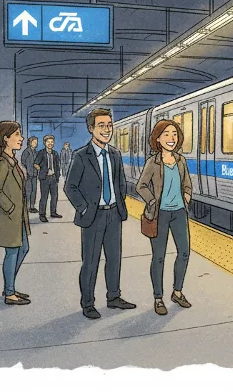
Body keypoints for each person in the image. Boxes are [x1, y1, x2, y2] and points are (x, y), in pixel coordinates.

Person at [65, 108, 136, 319]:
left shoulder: (114, 154)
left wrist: (120, 204)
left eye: (109, 125)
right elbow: (70, 187)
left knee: (114, 258)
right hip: (93, 216)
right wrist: (85, 208)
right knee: (91, 261)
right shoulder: (81, 156)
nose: (107, 130)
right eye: (102, 126)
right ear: (91, 129)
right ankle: (88, 303)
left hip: (113, 214)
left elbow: (120, 182)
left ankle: (113, 297)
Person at [137, 120, 194, 316]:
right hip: (159, 215)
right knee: (159, 257)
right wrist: (152, 202)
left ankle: (177, 292)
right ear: (158, 139)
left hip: (179, 213)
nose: (172, 138)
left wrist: (186, 198)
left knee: (184, 252)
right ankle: (158, 297)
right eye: (167, 134)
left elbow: (187, 184)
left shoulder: (181, 161)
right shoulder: (153, 163)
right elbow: (141, 186)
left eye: (175, 134)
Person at [0, 121, 32, 306]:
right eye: (17, 135)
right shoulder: (2, 163)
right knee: (13, 252)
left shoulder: (12, 160)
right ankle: (9, 293)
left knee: (23, 248)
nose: (21, 138)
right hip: (9, 217)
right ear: (6, 138)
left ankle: (10, 287)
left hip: (17, 217)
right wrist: (11, 208)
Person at [34, 135, 63, 220]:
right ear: (45, 143)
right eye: (48, 142)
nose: (50, 144)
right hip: (45, 178)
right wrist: (40, 169)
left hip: (53, 178)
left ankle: (53, 213)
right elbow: (35, 163)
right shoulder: (41, 153)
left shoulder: (55, 153)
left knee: (54, 196)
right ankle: (42, 215)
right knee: (44, 197)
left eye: (52, 142)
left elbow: (57, 166)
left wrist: (57, 176)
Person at [19, 136, 39, 219]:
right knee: (28, 191)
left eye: (36, 142)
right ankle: (26, 207)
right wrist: (26, 171)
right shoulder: (26, 152)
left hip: (34, 174)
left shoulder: (36, 152)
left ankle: (32, 206)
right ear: (30, 142)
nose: (36, 143)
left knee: (34, 191)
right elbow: (23, 162)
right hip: (28, 175)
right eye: (34, 142)